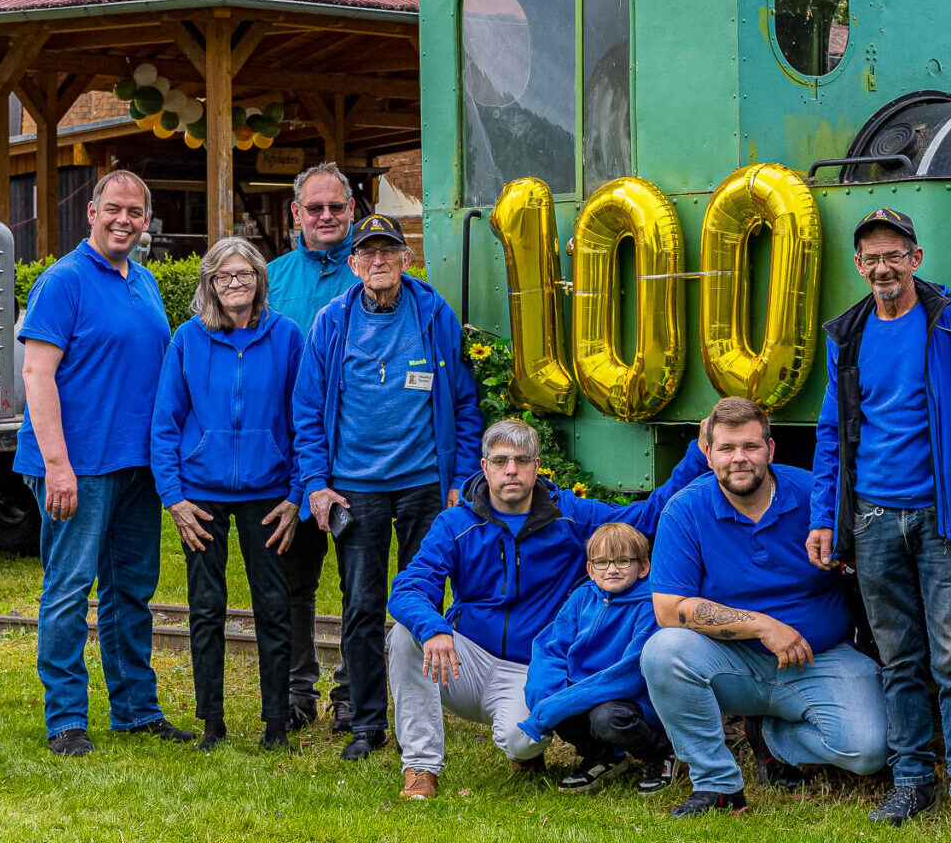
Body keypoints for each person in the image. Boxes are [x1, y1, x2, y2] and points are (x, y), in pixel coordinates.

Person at [806, 207, 951, 838]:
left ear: (916, 259)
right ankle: (913, 781)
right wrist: (824, 518)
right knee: (898, 658)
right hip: (870, 517)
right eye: (870, 258)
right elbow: (832, 434)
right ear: (859, 266)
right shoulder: (849, 334)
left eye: (894, 254)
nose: (883, 267)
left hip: (942, 517)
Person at [384, 418, 708, 799]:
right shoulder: (455, 523)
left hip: (532, 668)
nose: (511, 470)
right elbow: (408, 586)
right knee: (406, 637)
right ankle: (421, 768)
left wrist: (699, 454)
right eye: (500, 460)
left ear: (538, 466)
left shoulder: (569, 515)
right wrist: (433, 628)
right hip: (465, 659)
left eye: (522, 461)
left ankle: (531, 752)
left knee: (521, 742)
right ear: (484, 466)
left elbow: (648, 517)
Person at [292, 213, 484, 761]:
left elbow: (463, 401)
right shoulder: (333, 321)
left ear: (405, 259)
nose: (378, 261)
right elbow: (307, 412)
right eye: (367, 253)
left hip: (427, 482)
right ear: (353, 265)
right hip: (357, 488)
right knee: (361, 604)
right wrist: (316, 484)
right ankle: (367, 722)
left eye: (388, 251)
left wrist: (460, 480)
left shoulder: (433, 314)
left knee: (423, 600)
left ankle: (416, 720)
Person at [16, 169, 194, 756]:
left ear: (147, 223)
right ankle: (65, 718)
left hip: (136, 466)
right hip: (78, 467)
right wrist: (58, 465)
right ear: (91, 212)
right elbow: (37, 374)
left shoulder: (142, 282)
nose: (124, 220)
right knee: (68, 590)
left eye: (135, 212)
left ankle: (136, 710)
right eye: (113, 208)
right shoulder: (62, 282)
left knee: (131, 592)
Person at [644, 399, 889, 820]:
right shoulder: (685, 509)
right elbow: (669, 609)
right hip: (731, 662)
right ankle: (717, 783)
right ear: (708, 453)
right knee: (663, 651)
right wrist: (761, 626)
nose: (739, 458)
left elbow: (868, 560)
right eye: (726, 448)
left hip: (819, 656)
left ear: (770, 450)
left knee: (868, 750)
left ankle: (771, 739)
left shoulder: (815, 494)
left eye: (750, 446)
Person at [148, 237, 306, 752]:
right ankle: (211, 723)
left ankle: (277, 724)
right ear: (209, 285)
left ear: (260, 280)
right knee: (207, 607)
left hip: (270, 494)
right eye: (223, 277)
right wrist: (173, 496)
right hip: (200, 495)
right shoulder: (188, 340)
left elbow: (305, 422)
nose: (235, 284)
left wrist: (297, 493)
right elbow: (165, 424)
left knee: (273, 606)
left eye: (244, 275)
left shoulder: (286, 337)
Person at [267, 162, 362, 732]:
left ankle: (351, 692)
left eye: (337, 208)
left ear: (351, 211)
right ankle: (297, 690)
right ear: (296, 214)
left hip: (357, 459)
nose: (326, 217)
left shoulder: (374, 269)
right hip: (288, 462)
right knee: (293, 582)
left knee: (359, 582)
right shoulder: (270, 278)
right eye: (315, 208)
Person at [520, 522, 674, 793]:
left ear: (643, 567)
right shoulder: (581, 598)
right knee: (554, 702)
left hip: (632, 698)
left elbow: (630, 673)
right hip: (586, 689)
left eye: (623, 561)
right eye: (601, 562)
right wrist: (544, 695)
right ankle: (604, 757)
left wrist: (563, 702)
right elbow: (552, 647)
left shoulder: (649, 605)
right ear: (590, 569)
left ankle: (660, 753)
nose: (612, 569)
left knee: (607, 718)